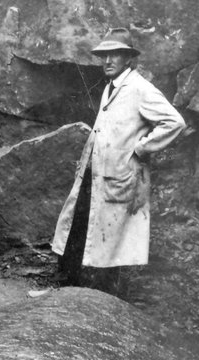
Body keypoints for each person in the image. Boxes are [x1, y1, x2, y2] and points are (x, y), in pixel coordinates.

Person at [51, 27, 186, 295]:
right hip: (98, 172)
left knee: (111, 243)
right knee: (78, 228)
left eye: (115, 55)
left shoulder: (139, 88)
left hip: (120, 176)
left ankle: (100, 301)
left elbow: (175, 122)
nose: (108, 61)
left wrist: (142, 149)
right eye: (104, 55)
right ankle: (66, 293)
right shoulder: (110, 88)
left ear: (129, 59)